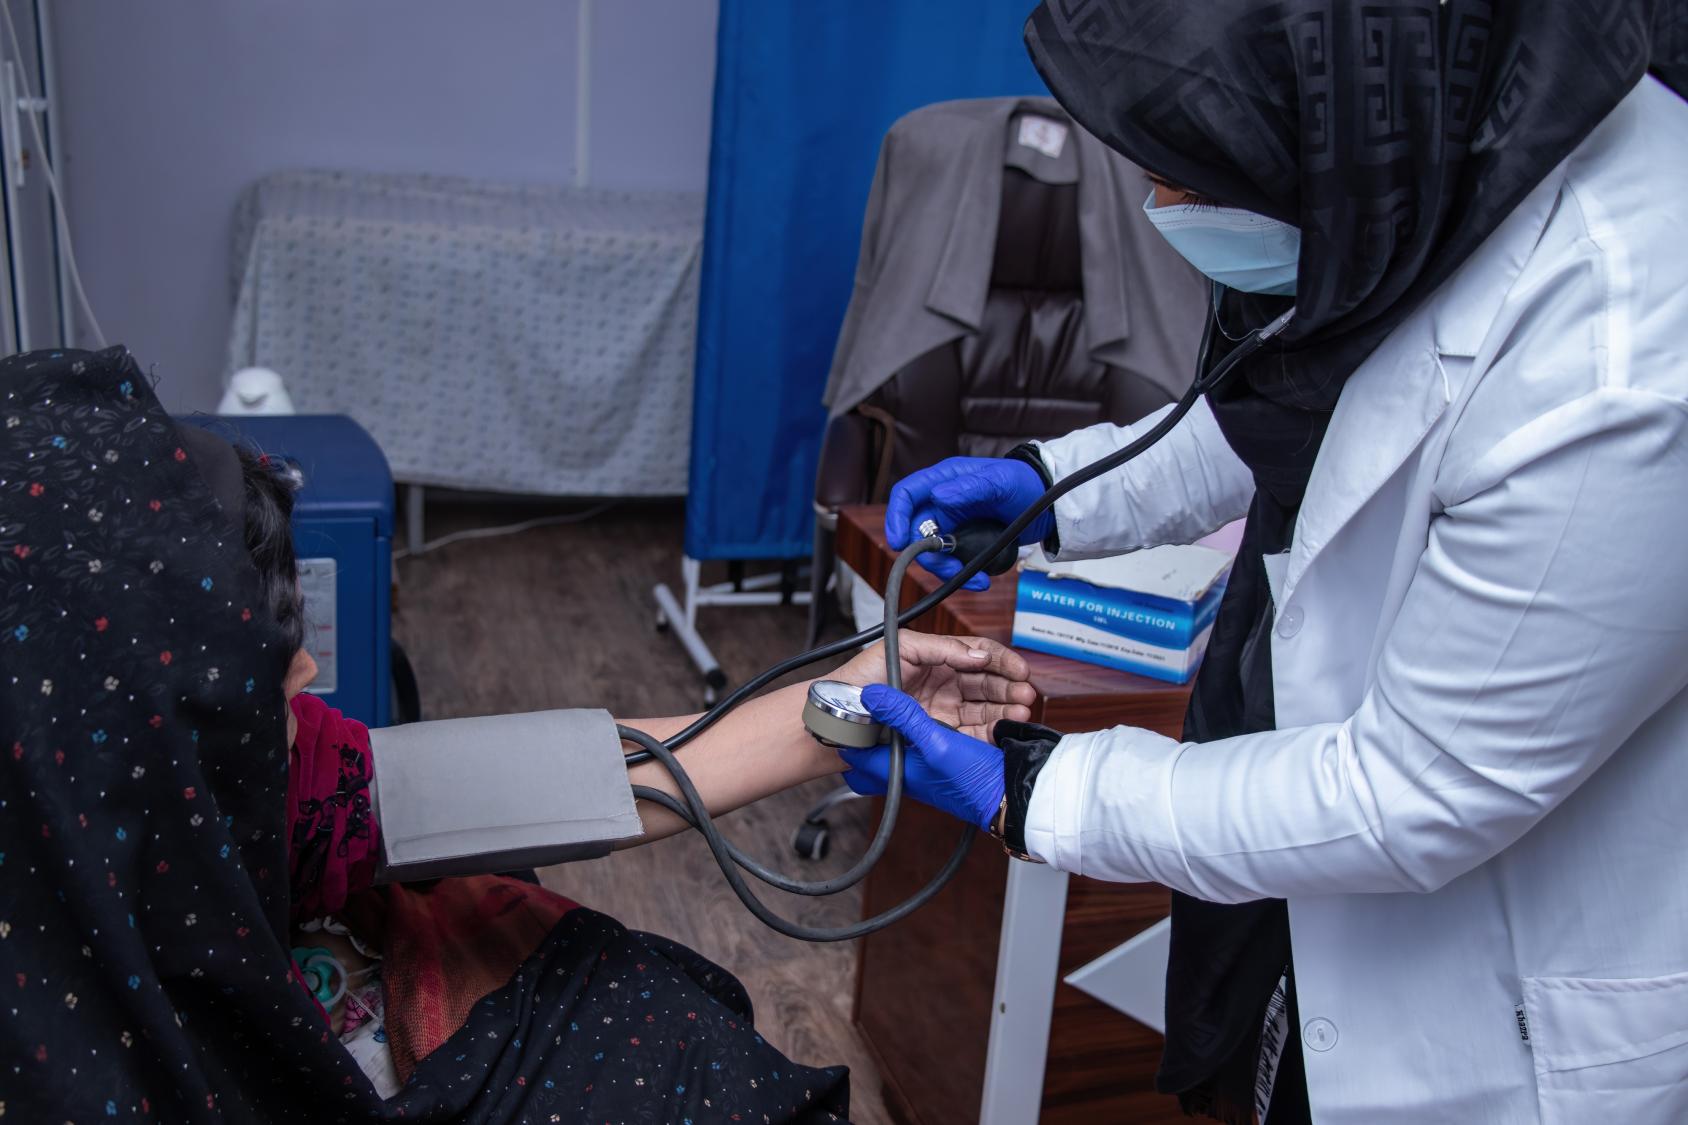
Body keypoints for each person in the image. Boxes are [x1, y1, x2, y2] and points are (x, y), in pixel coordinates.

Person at [842, 5, 1688, 1123]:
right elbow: (1303, 400)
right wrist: (1055, 491)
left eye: (1186, 171)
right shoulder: (1433, 148)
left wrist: (1039, 788)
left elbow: (1416, 793)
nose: (1157, 203)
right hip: (1322, 876)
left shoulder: (1619, 365)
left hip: (1497, 1004)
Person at [0, 347, 1037, 1121]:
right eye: (255, 668)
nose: (311, 671)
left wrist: (846, 707)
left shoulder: (168, 769)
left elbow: (513, 783)